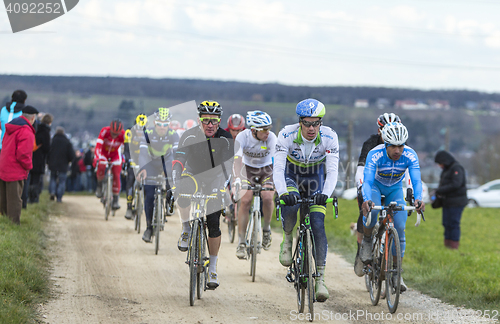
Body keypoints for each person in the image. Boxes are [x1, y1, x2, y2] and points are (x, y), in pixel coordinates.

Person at [274, 98, 339, 302]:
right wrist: (283, 192)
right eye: (307, 123)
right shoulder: (286, 134)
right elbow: (277, 168)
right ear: (299, 121)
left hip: (316, 179)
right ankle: (287, 237)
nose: (312, 128)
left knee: (318, 224)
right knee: (291, 206)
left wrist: (325, 195)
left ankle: (320, 279)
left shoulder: (330, 136)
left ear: (321, 122)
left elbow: (333, 171)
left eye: (316, 123)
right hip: (291, 176)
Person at [172, 100, 234, 289]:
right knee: (183, 190)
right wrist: (175, 182)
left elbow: (227, 167)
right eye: (206, 120)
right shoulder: (189, 136)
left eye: (213, 121)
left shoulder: (225, 138)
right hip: (194, 173)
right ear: (199, 120)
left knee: (213, 221)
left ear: (219, 121)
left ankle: (213, 267)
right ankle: (186, 229)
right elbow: (179, 160)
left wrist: (222, 189)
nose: (209, 125)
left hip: (215, 177)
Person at [359, 122, 425, 292]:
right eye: (393, 147)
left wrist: (418, 199)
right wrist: (367, 200)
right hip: (375, 187)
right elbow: (367, 181)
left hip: (395, 189)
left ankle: (396, 272)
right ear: (386, 145)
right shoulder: (375, 154)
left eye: (401, 146)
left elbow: (416, 180)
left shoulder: (410, 155)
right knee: (373, 215)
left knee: (400, 226)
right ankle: (367, 240)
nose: (398, 151)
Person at [353, 113, 401, 277]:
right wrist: (361, 188)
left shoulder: (401, 142)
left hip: (391, 184)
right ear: (379, 130)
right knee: (366, 212)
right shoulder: (371, 143)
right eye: (385, 129)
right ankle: (362, 247)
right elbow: (361, 169)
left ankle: (392, 267)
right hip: (370, 181)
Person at [233, 111, 276, 259]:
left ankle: (266, 229)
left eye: (269, 128)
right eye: (264, 129)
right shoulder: (242, 136)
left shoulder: (271, 138)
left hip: (266, 170)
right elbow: (237, 159)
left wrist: (277, 180)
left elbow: (277, 160)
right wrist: (237, 178)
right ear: (253, 130)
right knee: (245, 200)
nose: (267, 132)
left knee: (268, 196)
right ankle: (241, 242)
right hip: (247, 170)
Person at [135, 108, 179, 242]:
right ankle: (149, 228)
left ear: (169, 124)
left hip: (167, 161)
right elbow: (142, 154)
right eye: (159, 124)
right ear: (154, 123)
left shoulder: (173, 134)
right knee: (149, 194)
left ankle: (169, 202)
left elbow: (177, 155)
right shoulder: (147, 133)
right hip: (151, 163)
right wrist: (142, 169)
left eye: (165, 124)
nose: (162, 127)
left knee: (173, 178)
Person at [0, 105, 38, 224]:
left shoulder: (11, 127)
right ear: (32, 118)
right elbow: (23, 154)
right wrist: (29, 166)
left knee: (3, 199)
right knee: (15, 200)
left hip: (4, 166)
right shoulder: (26, 131)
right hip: (15, 169)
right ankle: (14, 225)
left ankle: (3, 223)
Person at [434, 150, 467, 250]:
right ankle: (447, 244)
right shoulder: (446, 170)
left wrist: (440, 190)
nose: (440, 165)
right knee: (446, 223)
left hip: (457, 202)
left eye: (440, 163)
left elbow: (456, 184)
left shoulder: (457, 168)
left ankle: (453, 246)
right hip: (447, 202)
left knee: (453, 223)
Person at [94, 119, 125, 210]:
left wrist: (124, 159)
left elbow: (126, 148)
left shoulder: (123, 134)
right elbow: (98, 145)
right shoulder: (104, 131)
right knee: (101, 166)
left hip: (115, 154)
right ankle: (99, 185)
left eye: (117, 134)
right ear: (110, 129)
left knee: (116, 174)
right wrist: (97, 157)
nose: (114, 136)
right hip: (103, 153)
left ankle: (115, 199)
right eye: (113, 133)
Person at [123, 114, 147, 220]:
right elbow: (126, 150)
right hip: (132, 159)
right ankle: (129, 206)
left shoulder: (149, 134)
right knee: (131, 180)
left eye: (142, 128)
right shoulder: (129, 133)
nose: (139, 131)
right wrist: (128, 160)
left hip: (143, 160)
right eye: (138, 128)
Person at [29, 113, 52, 203]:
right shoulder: (46, 132)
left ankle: (28, 196)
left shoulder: (36, 129)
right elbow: (47, 148)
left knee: (30, 179)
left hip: (31, 156)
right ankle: (34, 198)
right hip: (40, 158)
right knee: (36, 180)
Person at [48, 127, 76, 202]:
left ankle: (52, 192)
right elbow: (72, 155)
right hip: (63, 165)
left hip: (53, 164)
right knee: (62, 181)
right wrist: (68, 161)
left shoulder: (52, 141)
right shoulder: (67, 142)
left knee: (53, 179)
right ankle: (59, 197)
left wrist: (48, 162)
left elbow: (47, 152)